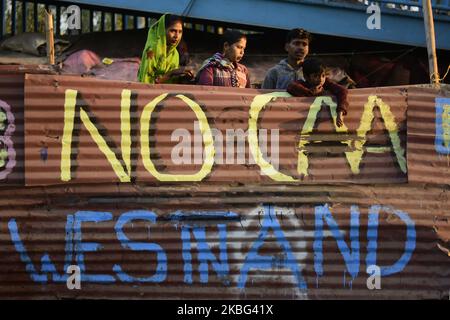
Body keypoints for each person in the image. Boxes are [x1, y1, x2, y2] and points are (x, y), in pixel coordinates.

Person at [287, 58, 349, 127]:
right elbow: (291, 87)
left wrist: (340, 112)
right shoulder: (302, 84)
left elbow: (342, 90)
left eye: (323, 75)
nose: (320, 79)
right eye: (316, 76)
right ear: (306, 77)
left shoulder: (327, 83)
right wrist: (311, 93)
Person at [137, 14, 193, 84]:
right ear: (163, 30)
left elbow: (172, 84)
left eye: (180, 32)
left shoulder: (174, 54)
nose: (177, 36)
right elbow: (146, 83)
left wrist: (184, 77)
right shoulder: (151, 51)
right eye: (173, 31)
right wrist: (171, 73)